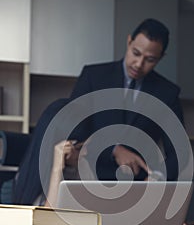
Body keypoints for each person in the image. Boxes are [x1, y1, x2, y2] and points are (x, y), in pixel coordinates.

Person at [13, 18, 183, 205]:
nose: (138, 64)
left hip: (135, 189)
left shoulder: (167, 94)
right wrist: (113, 149)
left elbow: (178, 153)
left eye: (149, 59)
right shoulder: (93, 76)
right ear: (128, 42)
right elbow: (71, 128)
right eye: (135, 53)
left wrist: (157, 180)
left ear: (160, 57)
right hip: (85, 178)